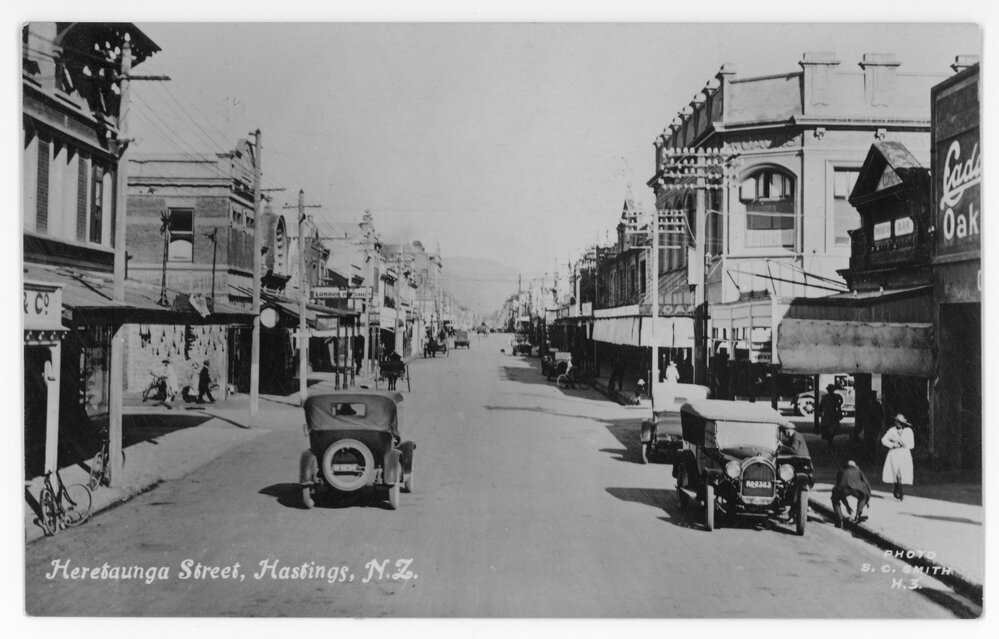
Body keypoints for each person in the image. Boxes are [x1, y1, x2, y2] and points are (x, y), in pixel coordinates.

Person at [881, 414, 915, 501]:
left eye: (900, 422)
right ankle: (897, 489)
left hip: (904, 454)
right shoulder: (892, 430)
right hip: (894, 453)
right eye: (896, 422)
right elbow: (884, 439)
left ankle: (900, 491)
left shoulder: (908, 431)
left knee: (901, 472)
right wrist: (892, 445)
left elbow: (912, 444)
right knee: (895, 471)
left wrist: (904, 444)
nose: (898, 424)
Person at [831, 460, 872, 527]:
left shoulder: (841, 471)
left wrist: (847, 506)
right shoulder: (859, 471)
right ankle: (858, 514)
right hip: (856, 489)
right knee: (862, 496)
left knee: (835, 498)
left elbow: (840, 490)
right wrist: (868, 498)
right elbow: (867, 485)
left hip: (844, 489)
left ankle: (839, 519)